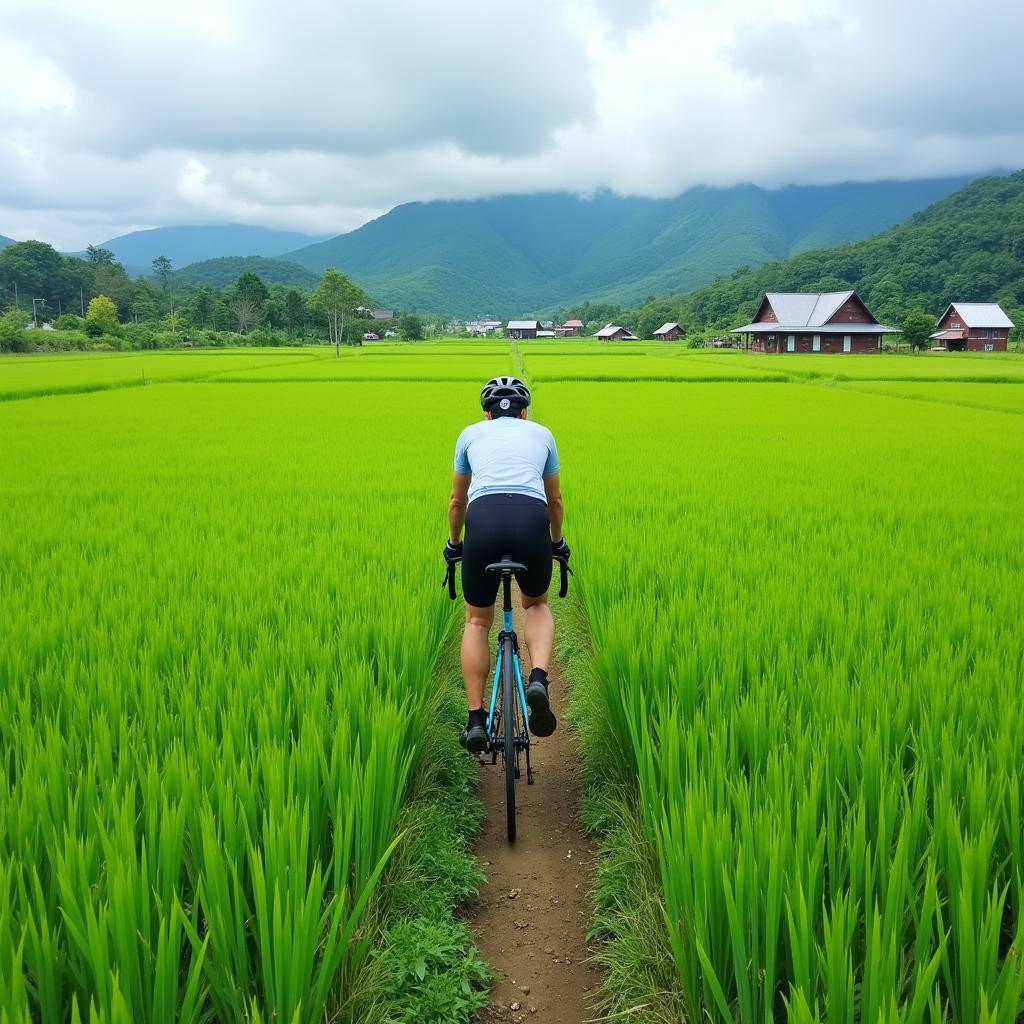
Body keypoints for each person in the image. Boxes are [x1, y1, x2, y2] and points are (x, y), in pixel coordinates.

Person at [444, 376, 570, 753]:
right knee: (537, 603)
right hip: (531, 519)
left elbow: (456, 500)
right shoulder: (542, 433)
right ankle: (537, 680)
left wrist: (455, 545)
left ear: (486, 415)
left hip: (482, 521)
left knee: (477, 620)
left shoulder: (469, 434)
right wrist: (556, 542)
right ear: (524, 412)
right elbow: (556, 500)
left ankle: (477, 720)